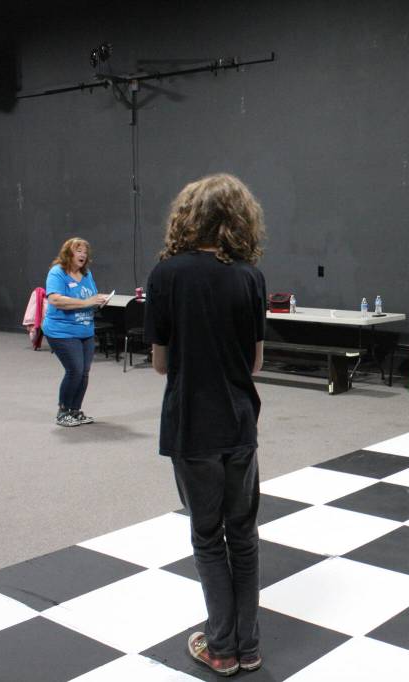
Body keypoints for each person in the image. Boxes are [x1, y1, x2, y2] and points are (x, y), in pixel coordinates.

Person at [144, 174, 267, 677]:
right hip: (240, 423)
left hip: (192, 425)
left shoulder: (166, 274)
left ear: (187, 216)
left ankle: (219, 648)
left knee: (206, 537)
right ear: (240, 218)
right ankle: (249, 645)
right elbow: (255, 362)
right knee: (244, 535)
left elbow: (158, 364)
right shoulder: (249, 276)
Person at [41, 237, 109, 427]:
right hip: (61, 331)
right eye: (78, 251)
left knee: (84, 372)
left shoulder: (87, 274)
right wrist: (87, 302)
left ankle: (75, 411)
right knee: (75, 370)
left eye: (85, 252)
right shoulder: (57, 273)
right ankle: (63, 412)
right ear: (68, 254)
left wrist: (98, 301)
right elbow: (55, 300)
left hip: (85, 330)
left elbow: (91, 297)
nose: (83, 255)